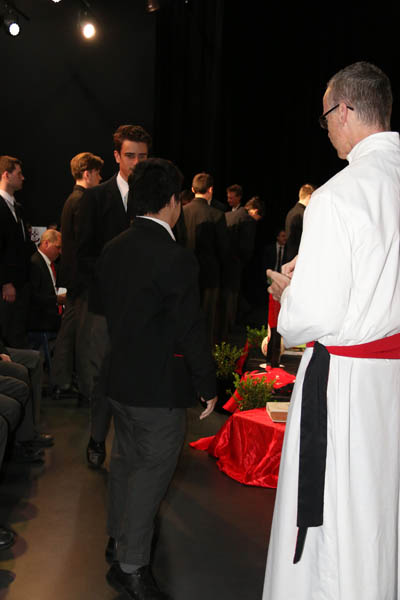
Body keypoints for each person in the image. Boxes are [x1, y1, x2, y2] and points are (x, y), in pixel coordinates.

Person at [263, 62, 400, 599]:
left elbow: (312, 316)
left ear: (344, 110)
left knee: (339, 521)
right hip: (390, 381)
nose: (326, 131)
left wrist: (288, 295)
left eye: (325, 119)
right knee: (383, 506)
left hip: (346, 384)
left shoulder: (337, 196)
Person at [94, 158, 217, 599]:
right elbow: (190, 328)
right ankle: (130, 566)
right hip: (157, 388)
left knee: (126, 463)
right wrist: (207, 384)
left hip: (120, 380)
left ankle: (118, 540)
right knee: (150, 473)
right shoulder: (175, 257)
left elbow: (106, 312)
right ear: (171, 202)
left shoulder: (113, 248)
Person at [77, 126, 152, 468]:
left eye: (142, 156)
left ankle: (131, 444)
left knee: (138, 377)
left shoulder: (154, 197)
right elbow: (83, 255)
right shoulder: (94, 198)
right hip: (106, 306)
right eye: (130, 155)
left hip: (144, 309)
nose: (137, 162)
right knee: (103, 378)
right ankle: (97, 438)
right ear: (117, 156)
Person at [51, 152, 103, 399]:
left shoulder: (72, 199)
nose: (100, 178)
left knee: (69, 330)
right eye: (98, 173)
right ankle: (86, 386)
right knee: (84, 334)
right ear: (87, 173)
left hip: (73, 278)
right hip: (83, 279)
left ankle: (61, 380)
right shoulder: (83, 200)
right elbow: (85, 244)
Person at [183, 172, 229, 345]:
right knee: (208, 318)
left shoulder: (182, 212)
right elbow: (224, 249)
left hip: (185, 273)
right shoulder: (217, 215)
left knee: (186, 315)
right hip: (210, 274)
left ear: (192, 189)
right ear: (210, 190)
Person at [0, 156, 35, 348]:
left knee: (18, 333)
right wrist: (5, 282)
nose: (23, 178)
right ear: (6, 175)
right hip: (8, 286)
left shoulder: (17, 208)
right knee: (7, 332)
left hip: (21, 283)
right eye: (19, 173)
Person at [220, 196, 264, 339]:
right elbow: (246, 248)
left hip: (221, 263)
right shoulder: (248, 220)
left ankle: (221, 330)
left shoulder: (227, 215)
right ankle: (229, 329)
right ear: (255, 211)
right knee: (232, 297)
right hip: (235, 264)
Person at [28, 229, 65, 354]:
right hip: (41, 320)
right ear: (46, 243)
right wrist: (57, 299)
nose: (60, 252)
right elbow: (34, 297)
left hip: (51, 316)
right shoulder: (35, 263)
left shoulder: (50, 264)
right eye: (58, 247)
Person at [283, 183, 315, 263]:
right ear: (310, 196)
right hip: (299, 258)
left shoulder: (291, 212)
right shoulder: (304, 213)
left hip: (290, 256)